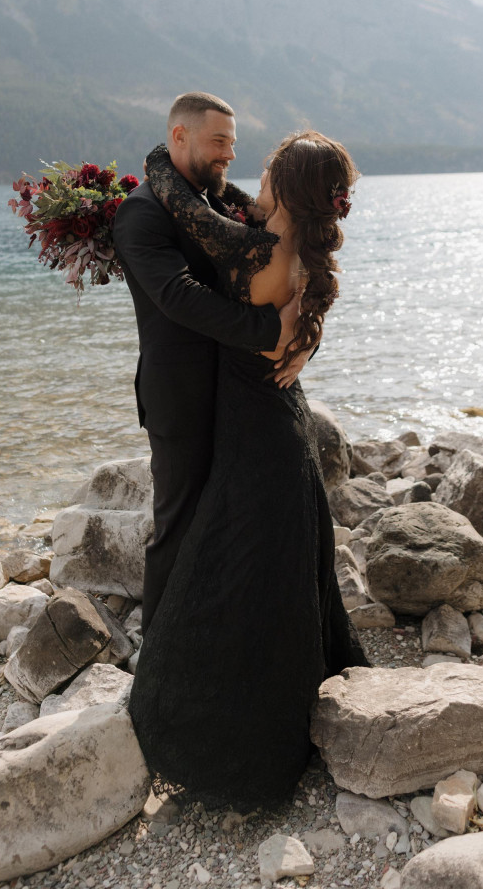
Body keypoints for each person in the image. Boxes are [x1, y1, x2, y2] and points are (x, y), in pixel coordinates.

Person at [127, 129, 369, 811]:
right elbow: (233, 204)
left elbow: (193, 214)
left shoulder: (260, 251)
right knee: (278, 568)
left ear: (286, 192)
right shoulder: (298, 256)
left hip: (257, 436)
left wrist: (157, 164)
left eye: (266, 175)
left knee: (236, 570)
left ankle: (234, 733)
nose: (254, 184)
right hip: (282, 420)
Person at [113, 92, 309, 634]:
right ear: (180, 136)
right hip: (181, 394)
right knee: (177, 524)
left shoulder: (223, 206)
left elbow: (292, 265)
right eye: (218, 141)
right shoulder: (142, 213)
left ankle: (216, 630)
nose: (228, 154)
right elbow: (179, 297)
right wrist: (274, 333)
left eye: (233, 143)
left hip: (239, 392)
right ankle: (158, 652)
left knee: (230, 518)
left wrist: (302, 339)